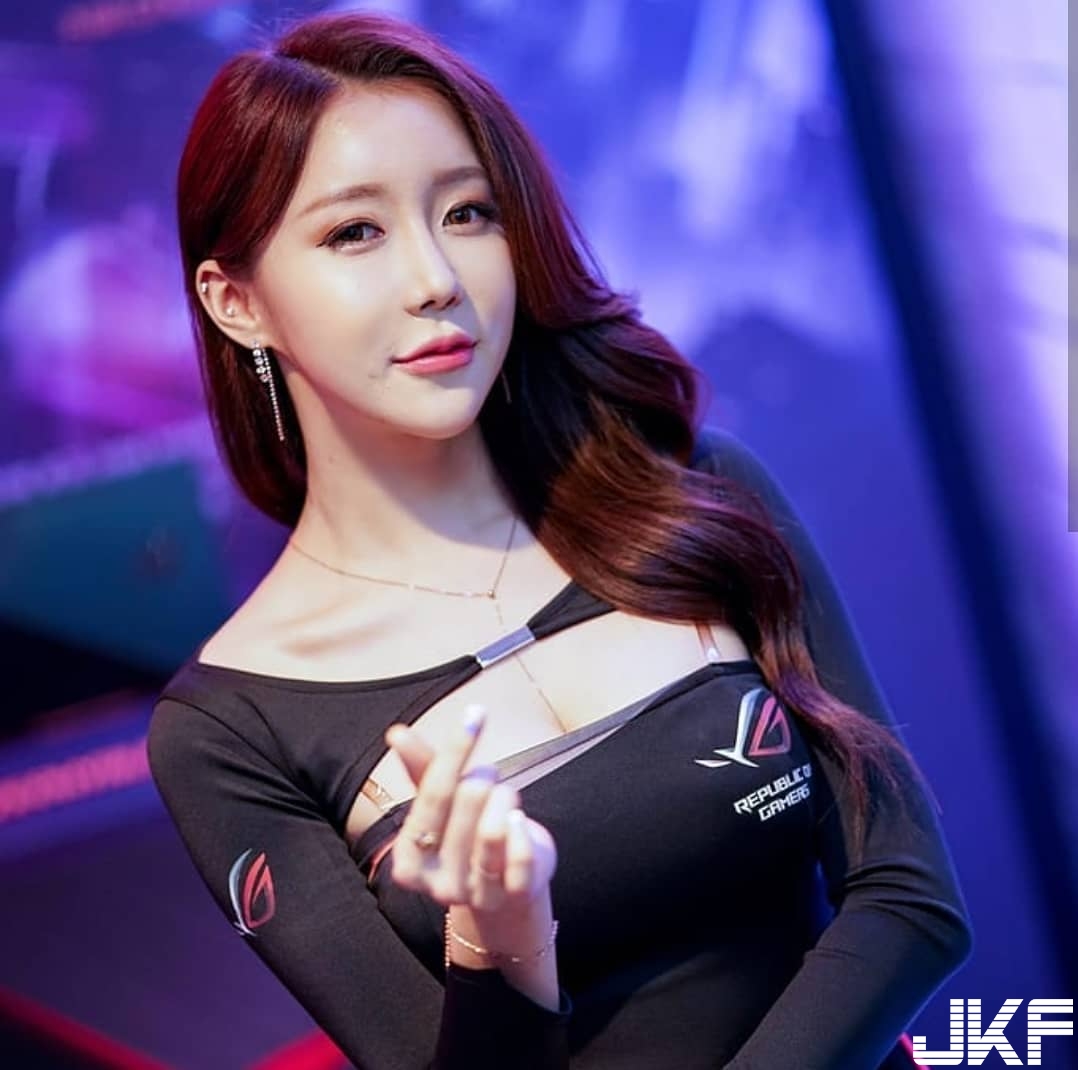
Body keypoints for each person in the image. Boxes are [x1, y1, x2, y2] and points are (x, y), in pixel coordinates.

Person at [147, 11, 974, 1069]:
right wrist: (500, 941)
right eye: (355, 232)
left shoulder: (693, 492)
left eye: (468, 213)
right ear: (237, 302)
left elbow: (910, 897)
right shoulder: (230, 728)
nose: (436, 278)